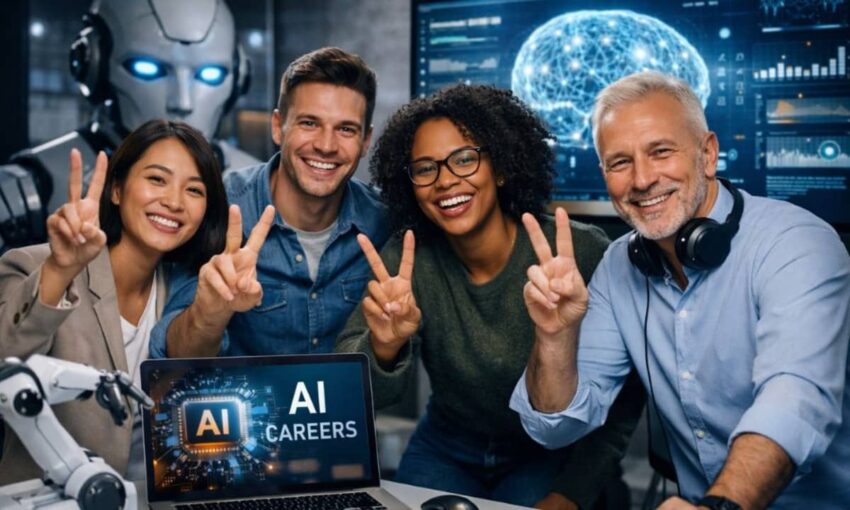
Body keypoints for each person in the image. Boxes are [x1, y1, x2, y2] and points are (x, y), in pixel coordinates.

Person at [510, 71, 850, 509]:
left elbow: (794, 398)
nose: (642, 179)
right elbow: (554, 429)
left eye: (661, 152)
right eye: (620, 162)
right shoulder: (619, 265)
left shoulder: (798, 243)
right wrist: (554, 337)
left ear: (707, 154)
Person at [336, 84, 644, 510]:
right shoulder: (407, 259)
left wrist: (573, 491)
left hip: (547, 455)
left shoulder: (577, 252)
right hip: (447, 445)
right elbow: (352, 387)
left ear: (499, 167)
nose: (445, 181)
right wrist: (383, 348)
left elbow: (625, 398)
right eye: (425, 168)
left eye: (464, 159)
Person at [0, 119, 229, 484]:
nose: (173, 201)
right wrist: (60, 270)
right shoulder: (33, 266)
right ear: (117, 189)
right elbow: (5, 360)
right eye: (157, 179)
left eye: (195, 190)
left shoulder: (188, 292)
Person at [150, 47, 389, 358]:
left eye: (345, 129)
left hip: (347, 407)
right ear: (278, 127)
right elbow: (173, 359)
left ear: (366, 141)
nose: (326, 146)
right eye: (309, 123)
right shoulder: (221, 209)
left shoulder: (383, 221)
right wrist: (211, 310)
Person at [0, 0, 257, 252]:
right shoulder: (28, 190)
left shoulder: (257, 185)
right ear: (93, 63)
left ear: (239, 78)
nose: (182, 102)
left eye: (210, 74)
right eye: (148, 69)